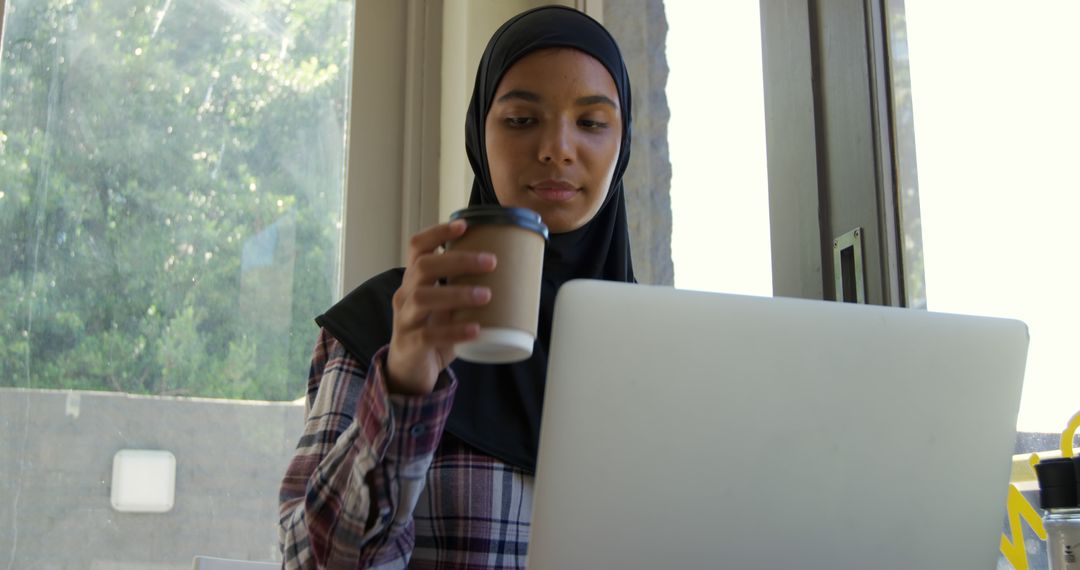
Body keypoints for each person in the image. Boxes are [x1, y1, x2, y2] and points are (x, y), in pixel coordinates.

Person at [278, 5, 635, 568]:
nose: (557, 148)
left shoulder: (659, 346)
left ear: (623, 143)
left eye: (591, 122)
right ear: (479, 133)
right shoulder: (388, 321)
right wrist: (402, 383)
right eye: (521, 119)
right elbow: (309, 564)